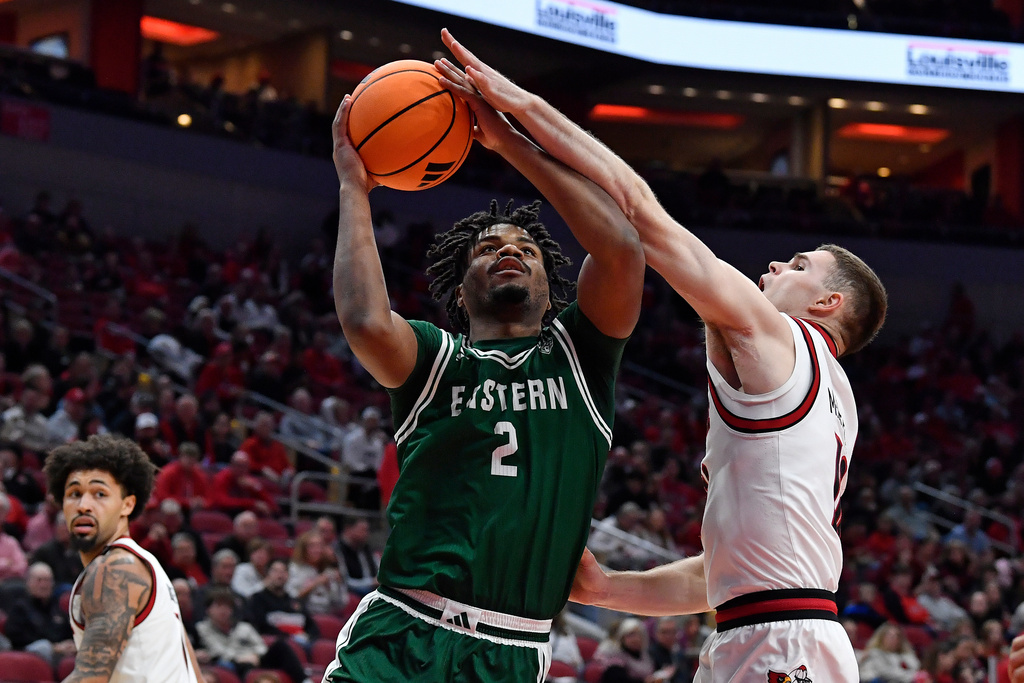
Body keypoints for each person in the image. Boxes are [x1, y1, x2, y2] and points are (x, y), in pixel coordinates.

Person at [436, 28, 886, 683]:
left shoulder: (776, 337)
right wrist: (609, 587)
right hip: (766, 633)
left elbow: (638, 215)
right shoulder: (832, 400)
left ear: (828, 306)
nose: (775, 263)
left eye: (799, 264)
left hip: (780, 645)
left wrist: (519, 118)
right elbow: (722, 575)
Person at [323, 39, 644, 682]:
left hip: (511, 648)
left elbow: (623, 251)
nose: (507, 250)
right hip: (402, 632)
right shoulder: (436, 361)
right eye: (486, 247)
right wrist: (354, 186)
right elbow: (363, 321)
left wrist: (508, 144)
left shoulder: (581, 355)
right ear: (459, 288)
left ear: (551, 284)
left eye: (524, 245)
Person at [42, 433, 203, 681]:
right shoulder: (144, 565)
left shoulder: (117, 569)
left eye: (99, 494)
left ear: (127, 505)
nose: (83, 505)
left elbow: (91, 677)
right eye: (74, 494)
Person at [3, 562, 76, 666]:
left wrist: (70, 644)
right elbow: (16, 637)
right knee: (44, 647)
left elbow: (68, 630)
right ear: (28, 582)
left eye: (48, 580)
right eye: (39, 580)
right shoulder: (20, 608)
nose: (44, 585)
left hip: (61, 651)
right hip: (30, 654)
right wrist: (53, 646)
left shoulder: (56, 607)